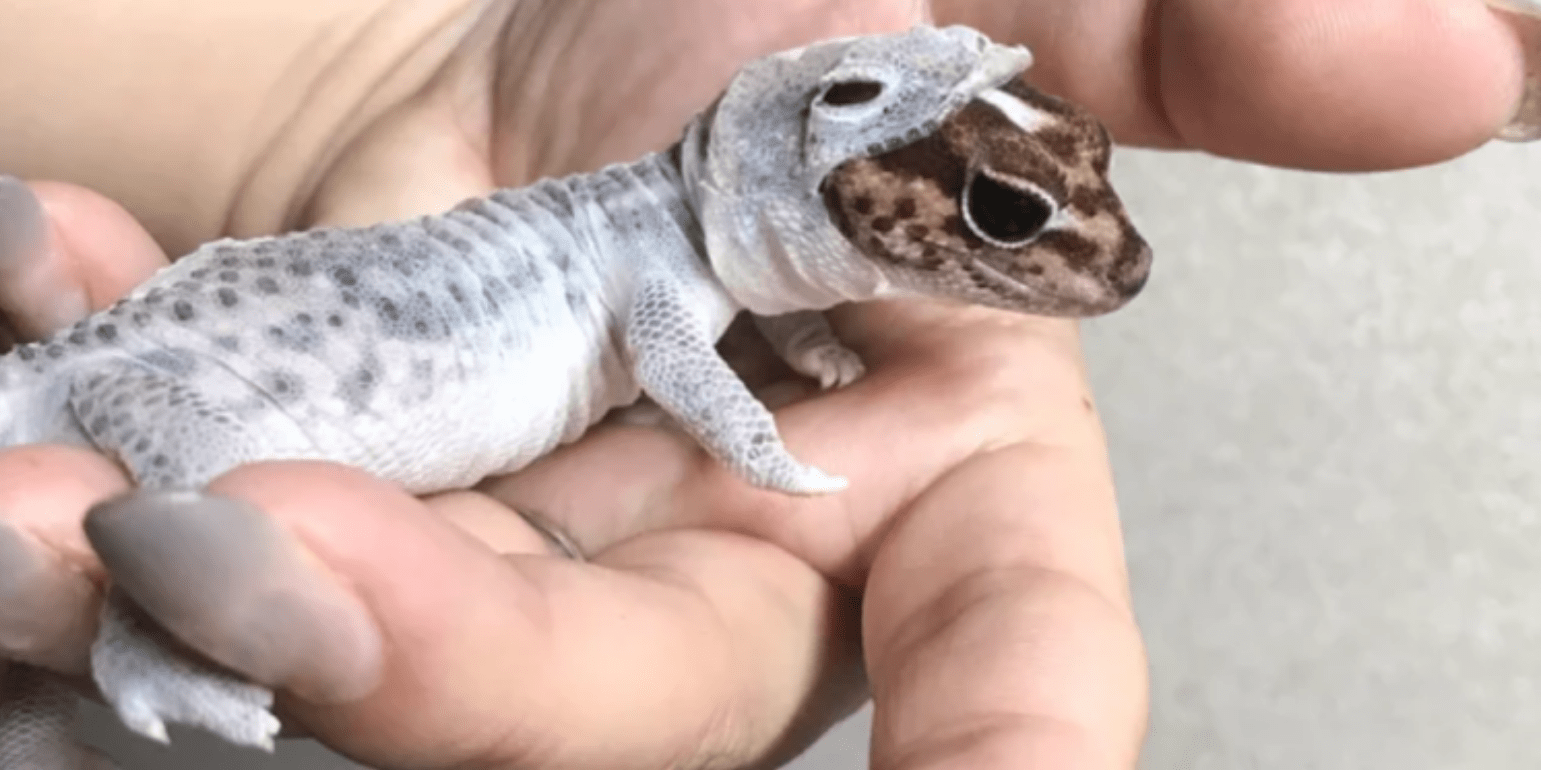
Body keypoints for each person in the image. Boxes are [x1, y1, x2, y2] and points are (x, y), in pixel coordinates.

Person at [0, 1, 1532, 768]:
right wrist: (767, 448)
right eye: (1005, 219)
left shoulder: (708, 247)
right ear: (816, 183)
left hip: (209, 323)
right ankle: (143, 632)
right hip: (161, 376)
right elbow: (679, 359)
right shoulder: (667, 274)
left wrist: (807, 350)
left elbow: (749, 297)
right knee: (182, 497)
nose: (1090, 260)